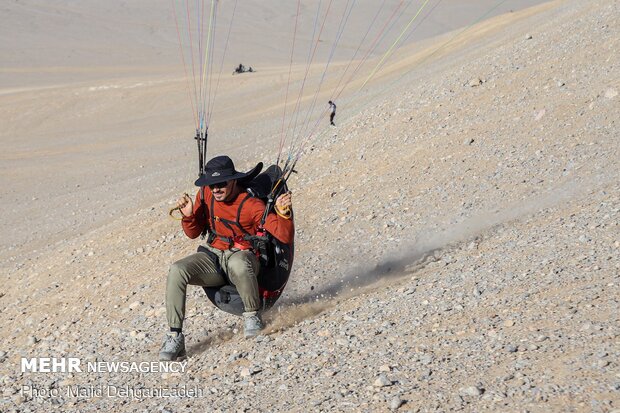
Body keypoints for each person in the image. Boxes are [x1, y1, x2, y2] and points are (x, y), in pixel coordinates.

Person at [159, 155, 294, 361]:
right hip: (214, 256)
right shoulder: (206, 194)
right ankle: (175, 336)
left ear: (233, 181)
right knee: (177, 270)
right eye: (212, 184)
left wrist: (284, 215)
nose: (216, 189)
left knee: (238, 262)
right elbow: (193, 233)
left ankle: (252, 317)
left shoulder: (251, 205)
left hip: (245, 259)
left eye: (221, 183)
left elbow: (283, 236)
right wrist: (188, 216)